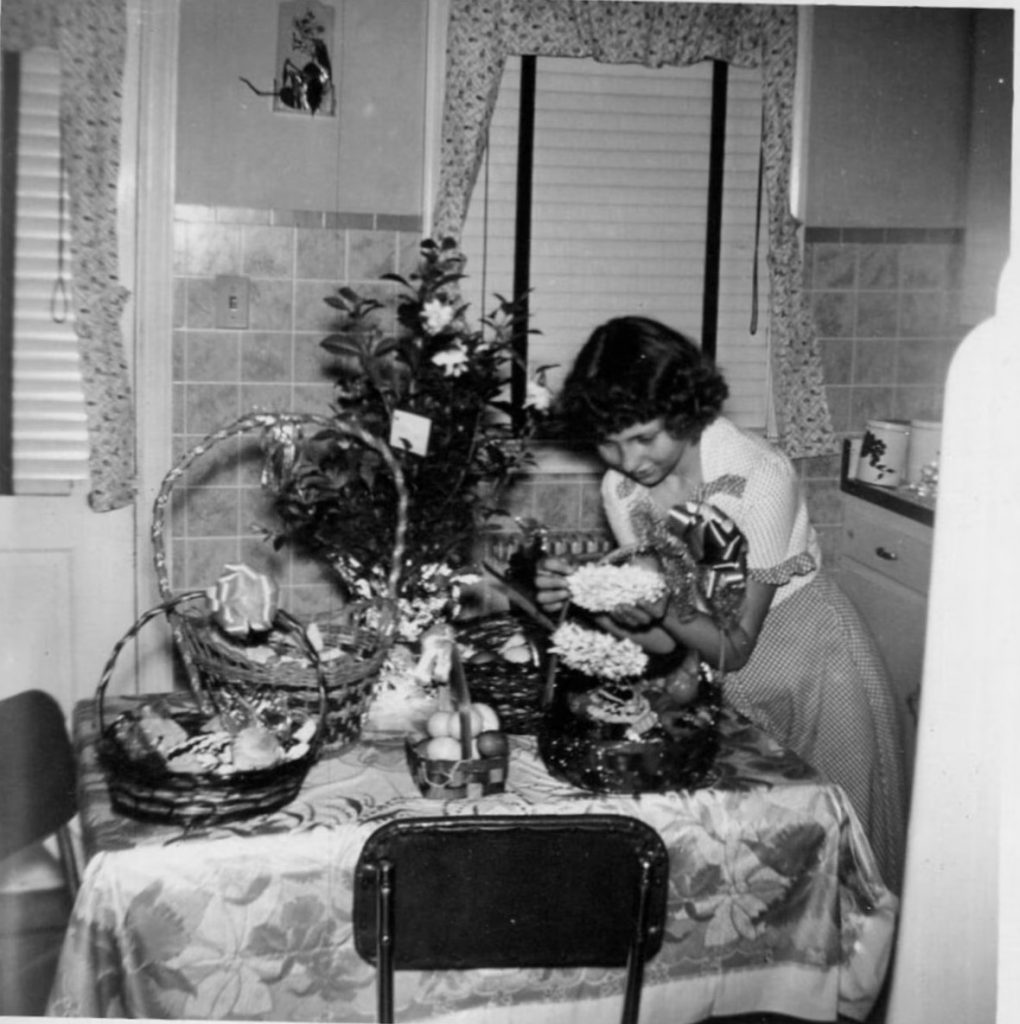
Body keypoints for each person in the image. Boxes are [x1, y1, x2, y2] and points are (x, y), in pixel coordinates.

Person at [535, 315, 911, 893]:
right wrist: (593, 599)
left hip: (814, 664)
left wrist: (653, 601)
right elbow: (665, 639)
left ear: (684, 412)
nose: (629, 459)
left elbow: (734, 641)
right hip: (725, 677)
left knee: (844, 856)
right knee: (767, 871)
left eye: (644, 437)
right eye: (609, 442)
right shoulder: (625, 491)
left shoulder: (759, 475)